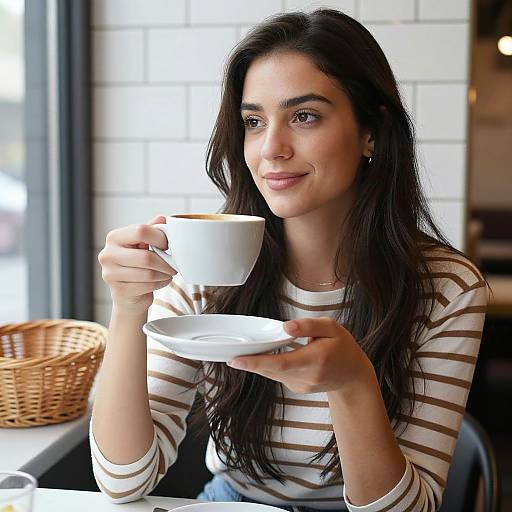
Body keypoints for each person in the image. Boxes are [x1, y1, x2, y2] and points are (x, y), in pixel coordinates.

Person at [90, 8, 487, 512]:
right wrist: (127, 310)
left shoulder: (447, 288)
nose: (270, 148)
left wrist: (351, 384)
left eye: (304, 116)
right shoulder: (203, 268)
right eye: (253, 122)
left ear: (371, 132)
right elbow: (123, 483)